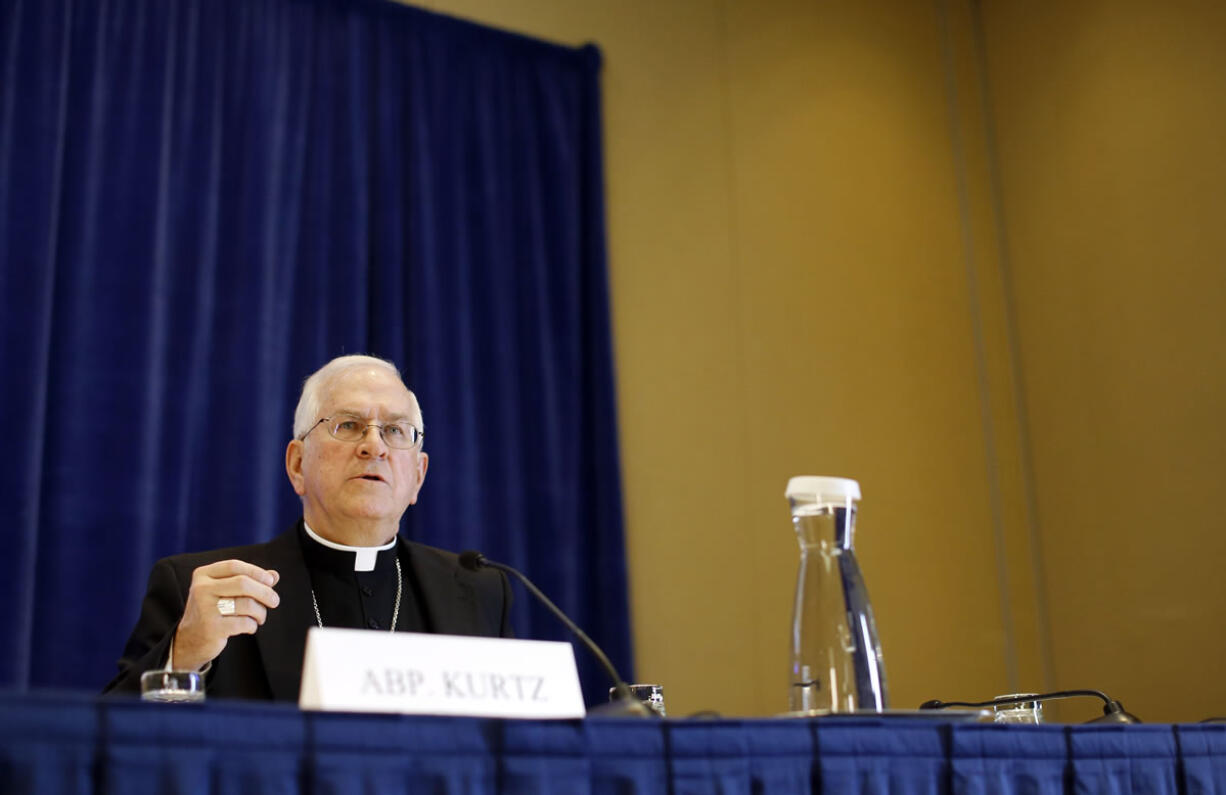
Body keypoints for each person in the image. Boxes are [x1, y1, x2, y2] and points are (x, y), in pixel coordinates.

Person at [104, 354, 513, 701]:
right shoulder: (205, 589)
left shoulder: (480, 593)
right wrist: (185, 652)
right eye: (348, 425)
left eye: (394, 430)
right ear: (298, 464)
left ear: (418, 478)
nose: (374, 446)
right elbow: (110, 746)